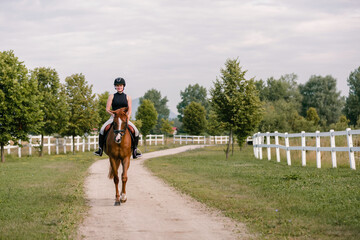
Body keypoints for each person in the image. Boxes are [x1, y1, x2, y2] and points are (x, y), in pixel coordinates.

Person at [94, 77, 142, 158]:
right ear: (115, 87)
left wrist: (127, 118)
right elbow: (107, 109)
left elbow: (129, 110)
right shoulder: (111, 96)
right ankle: (100, 149)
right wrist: (114, 115)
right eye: (117, 85)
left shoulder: (128, 97)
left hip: (124, 119)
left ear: (123, 86)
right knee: (102, 129)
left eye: (120, 85)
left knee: (136, 131)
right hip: (114, 118)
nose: (119, 87)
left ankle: (135, 150)